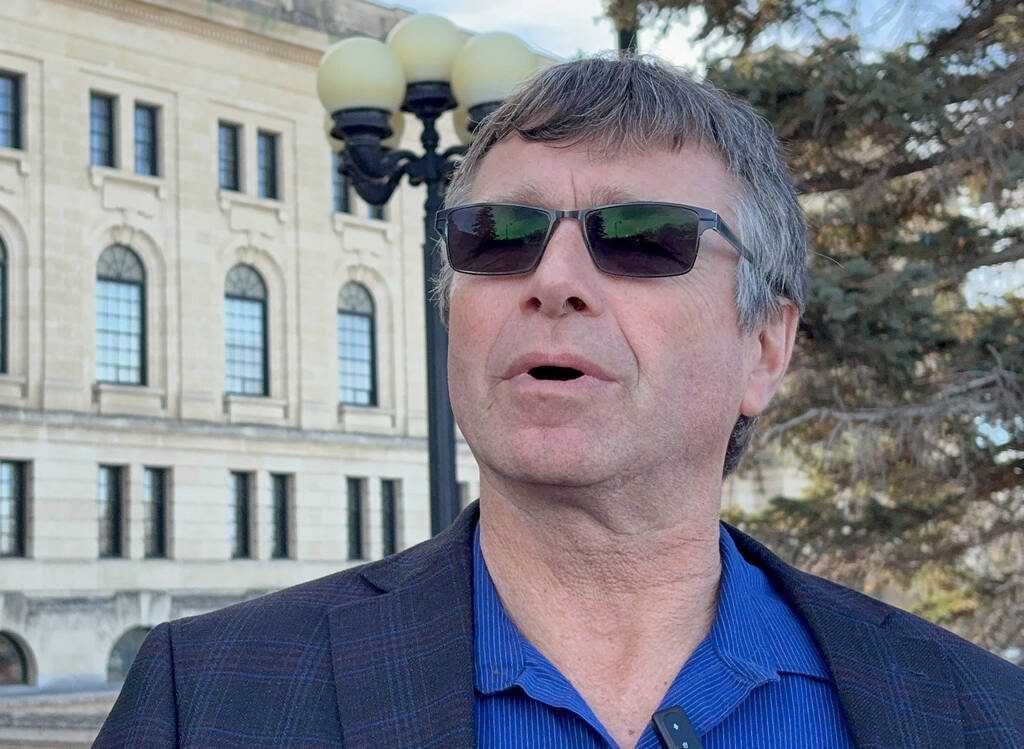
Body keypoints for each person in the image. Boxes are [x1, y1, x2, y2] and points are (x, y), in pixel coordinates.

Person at [95, 55, 1024, 749]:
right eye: (498, 235)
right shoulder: (206, 699)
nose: (554, 280)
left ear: (767, 345)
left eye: (643, 238)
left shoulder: (976, 714)